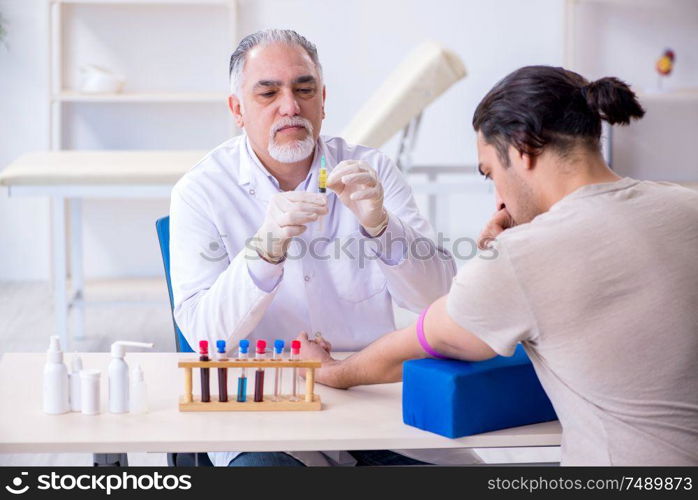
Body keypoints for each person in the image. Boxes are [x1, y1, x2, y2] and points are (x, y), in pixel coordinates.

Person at [299, 65, 698, 466]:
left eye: (490, 173)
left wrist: (331, 369)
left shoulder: (524, 257)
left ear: (522, 149)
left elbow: (417, 344)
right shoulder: (687, 206)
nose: (498, 197)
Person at [169, 29, 459, 466]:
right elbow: (204, 337)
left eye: (303, 89)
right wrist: (264, 250)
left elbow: (437, 300)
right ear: (237, 110)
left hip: (369, 395)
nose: (290, 106)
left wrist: (383, 227)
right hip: (264, 406)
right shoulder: (202, 191)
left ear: (322, 100)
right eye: (267, 93)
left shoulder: (371, 170)